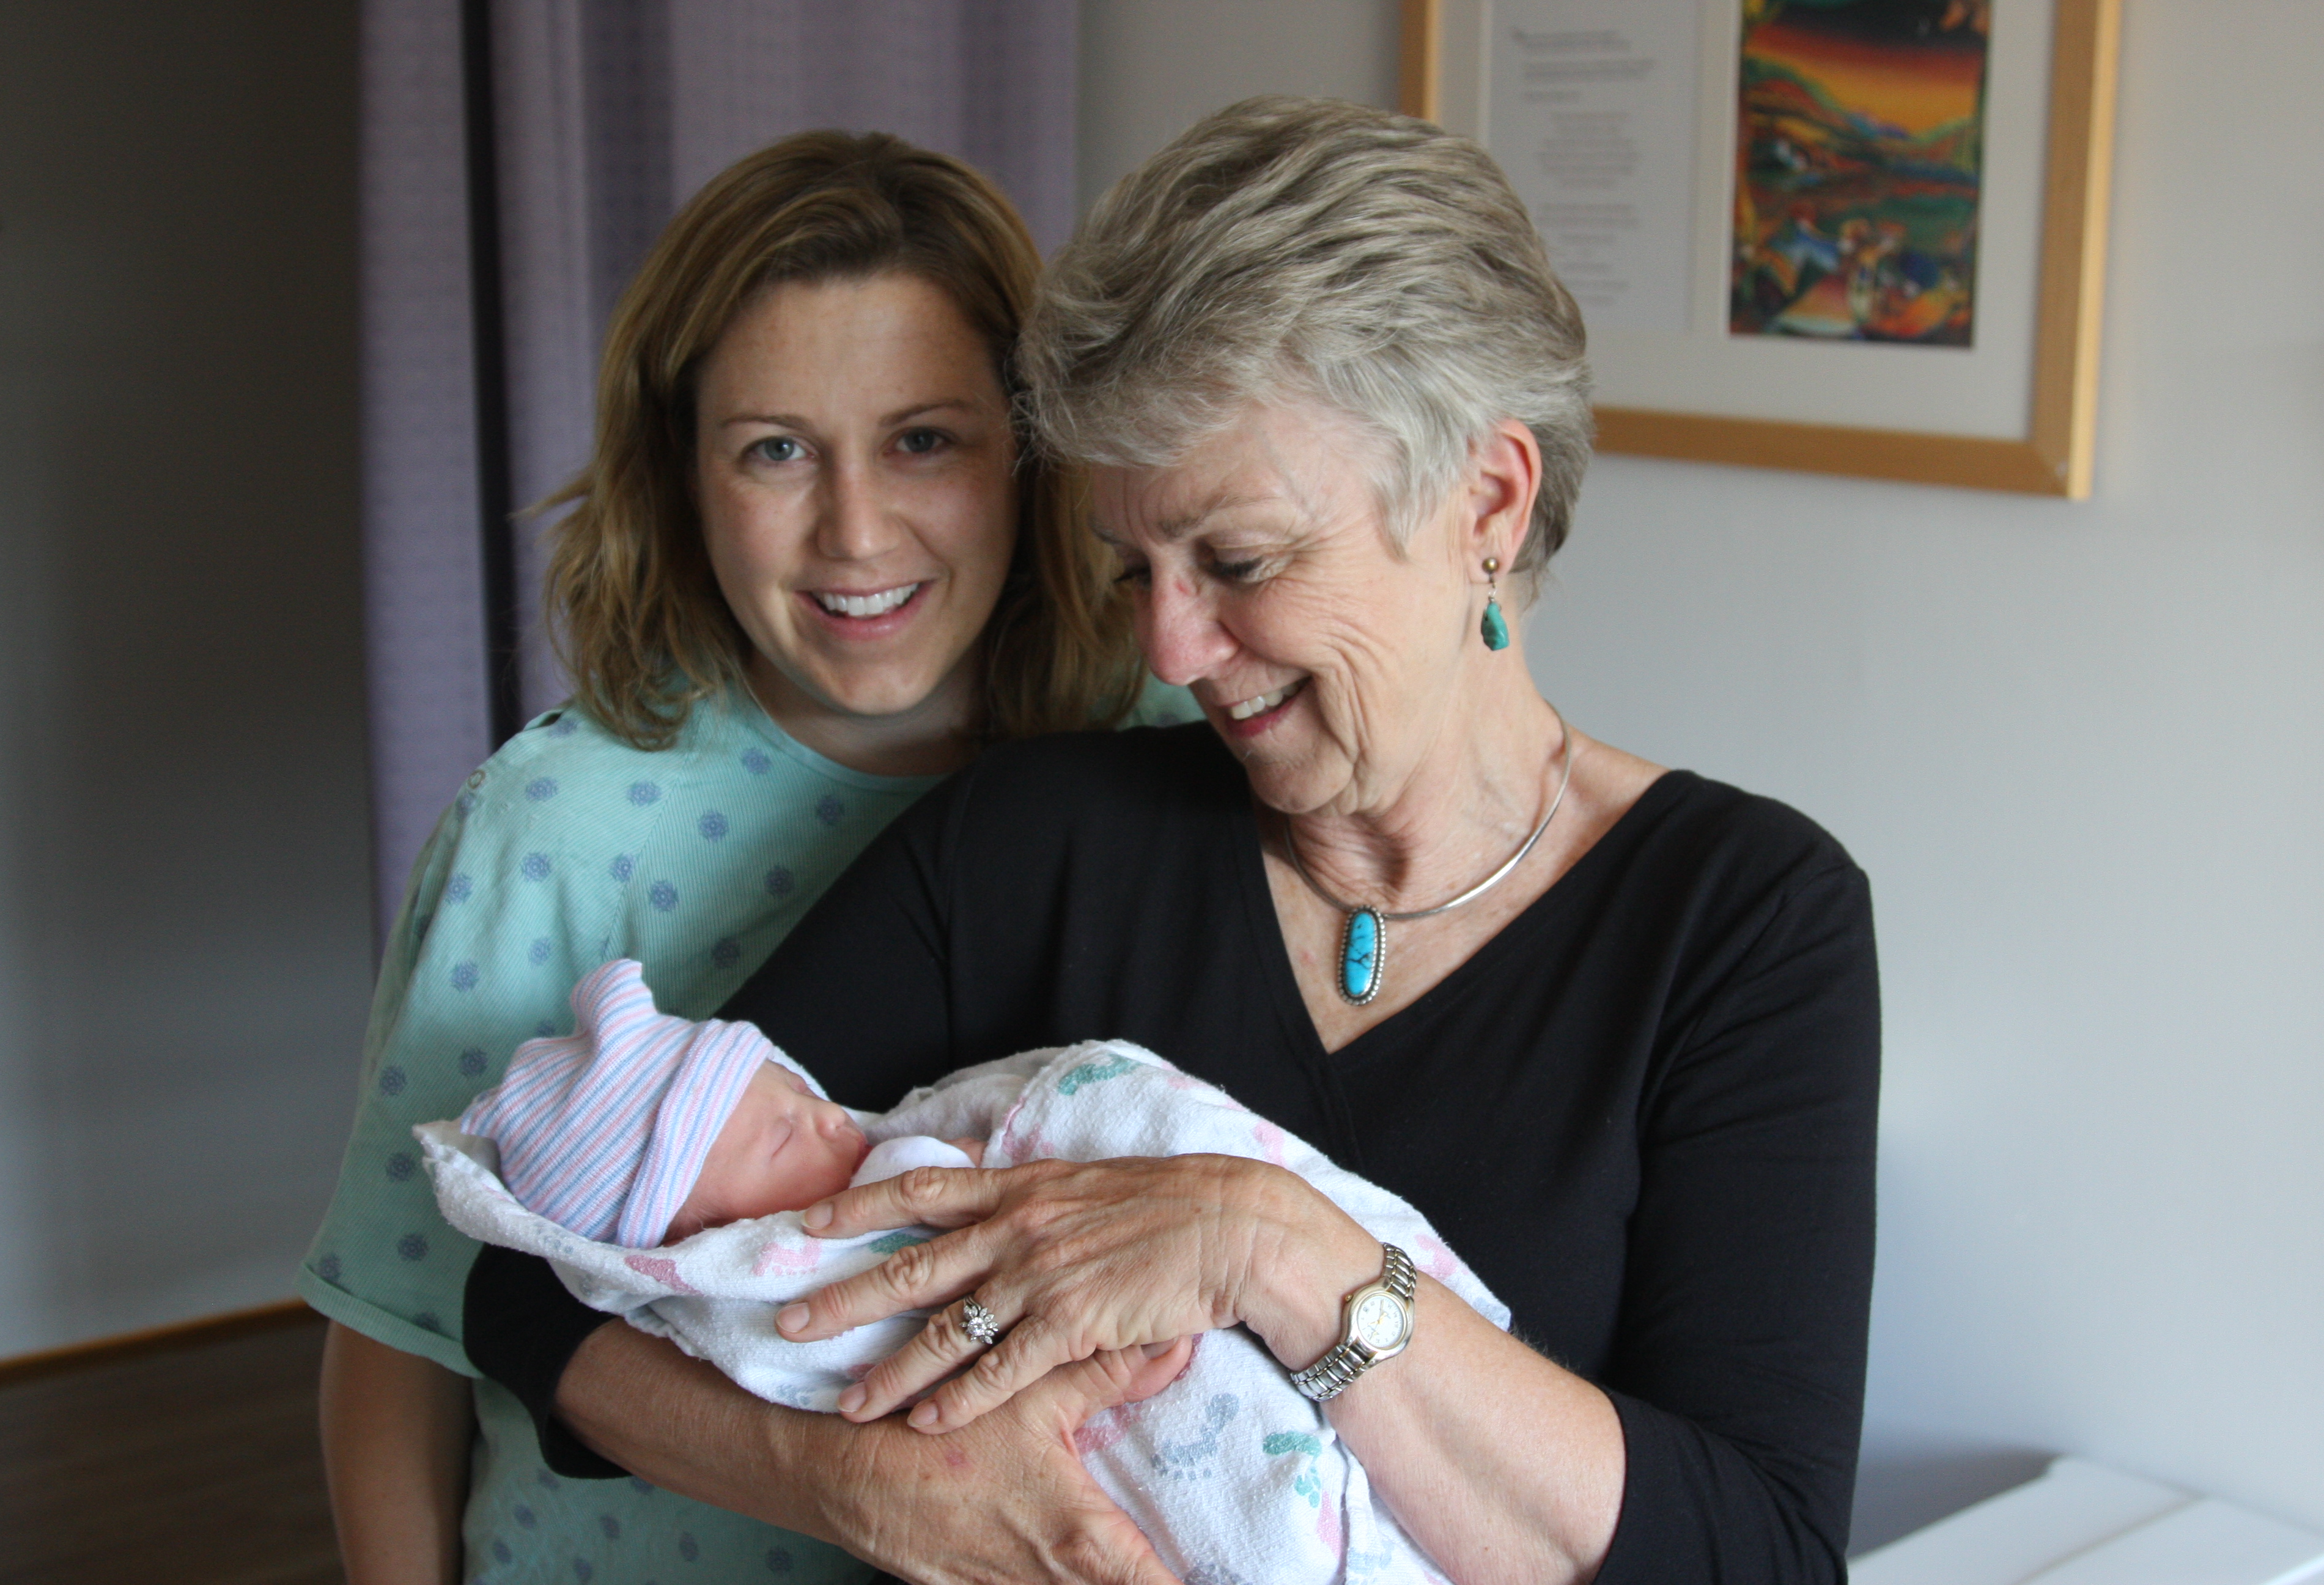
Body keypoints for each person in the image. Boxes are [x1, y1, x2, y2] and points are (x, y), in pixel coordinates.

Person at [464, 96, 1879, 1585]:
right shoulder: (1031, 848)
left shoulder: (1744, 921)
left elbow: (1759, 1558)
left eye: (1240, 559)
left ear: (1488, 503)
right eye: (1132, 568)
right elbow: (538, 1288)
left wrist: (1275, 1250)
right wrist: (867, 1491)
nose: (1171, 647)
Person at [301, 130, 1193, 1585]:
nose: (856, 532)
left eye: (924, 440)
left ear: (1034, 452)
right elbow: (403, 1327)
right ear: (682, 473)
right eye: (776, 450)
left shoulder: (1167, 758)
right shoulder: (555, 822)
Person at [425, 959, 1513, 1583]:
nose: (826, 1116)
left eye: (792, 1087)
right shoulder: (769, 1293)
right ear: (694, 1239)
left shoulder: (908, 1143)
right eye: (778, 1137)